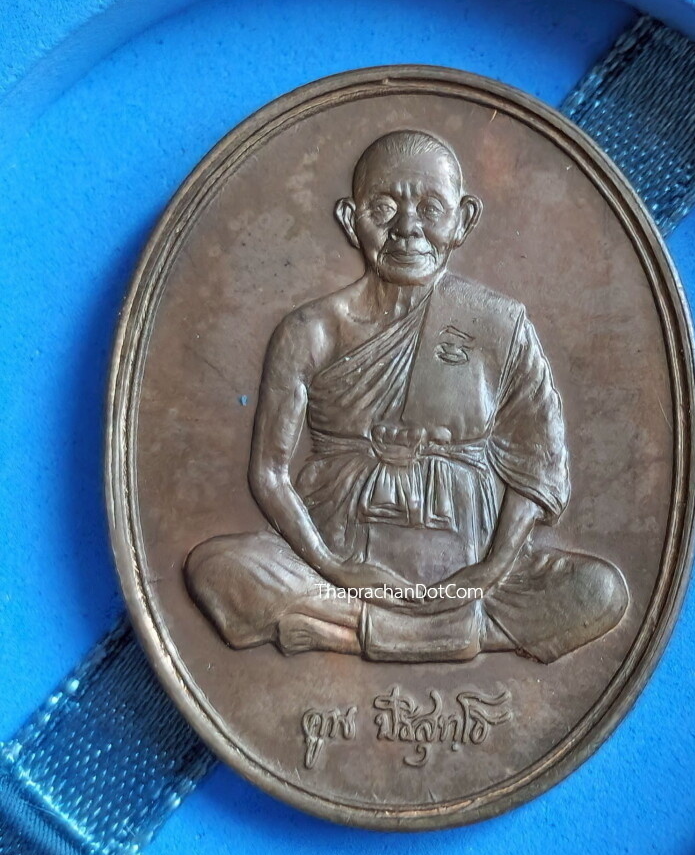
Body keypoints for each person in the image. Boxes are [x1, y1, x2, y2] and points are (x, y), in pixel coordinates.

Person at [185, 130, 628, 663]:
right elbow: (270, 474)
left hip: (471, 558)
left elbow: (539, 464)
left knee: (599, 590)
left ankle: (341, 633)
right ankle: (452, 634)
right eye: (383, 208)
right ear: (350, 219)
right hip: (337, 554)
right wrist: (335, 566)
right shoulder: (311, 330)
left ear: (463, 220)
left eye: (431, 209)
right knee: (217, 570)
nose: (407, 228)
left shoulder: (499, 325)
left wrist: (489, 570)